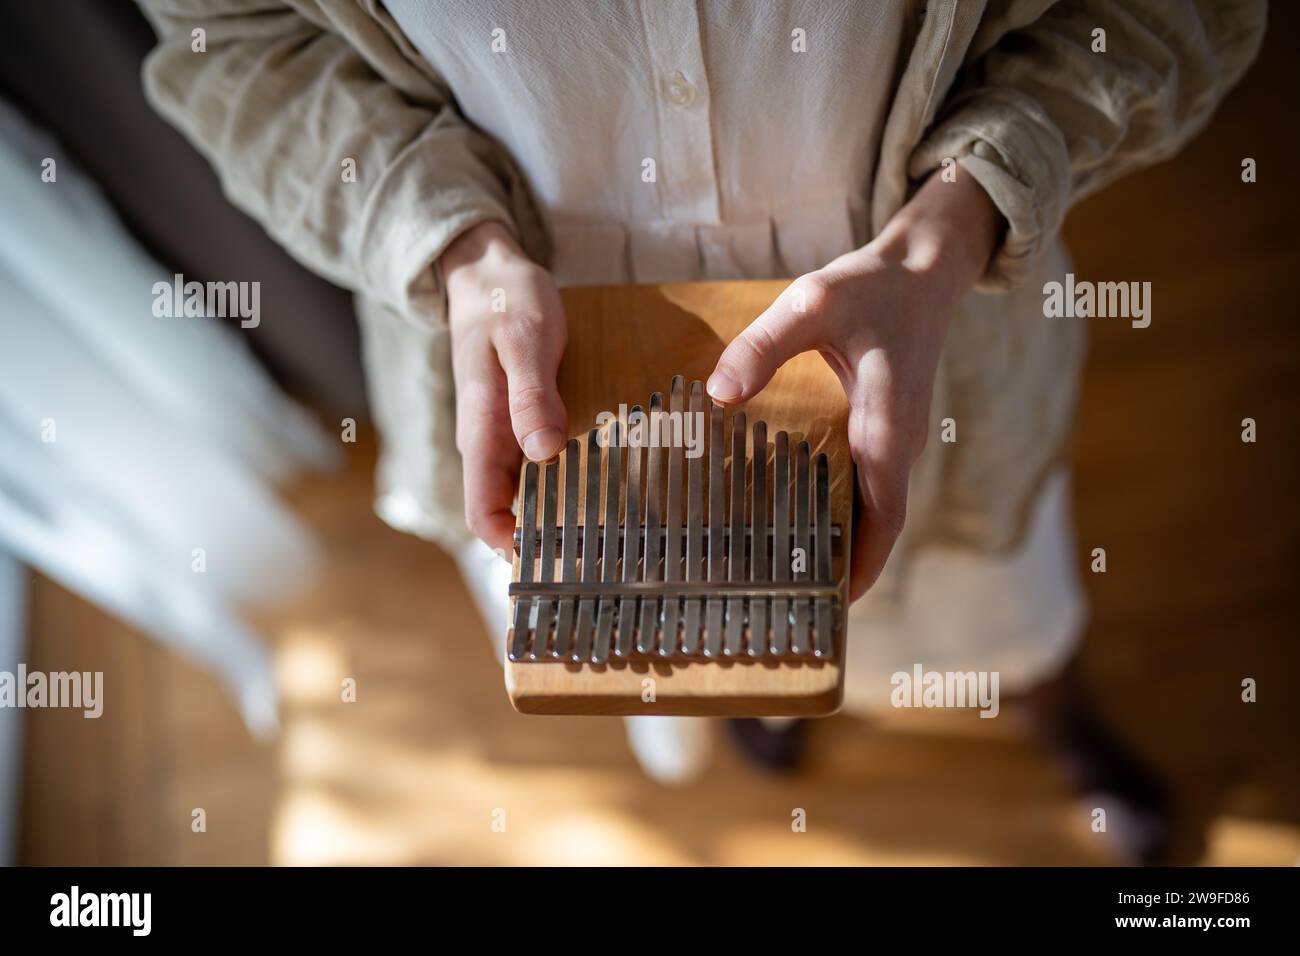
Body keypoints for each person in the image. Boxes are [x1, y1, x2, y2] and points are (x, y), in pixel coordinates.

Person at [138, 0, 1265, 860]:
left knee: (990, 580)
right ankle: (760, 693)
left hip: (929, 305)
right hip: (549, 364)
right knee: (693, 622)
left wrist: (961, 219)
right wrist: (450, 243)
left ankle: (1046, 704)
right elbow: (230, 39)